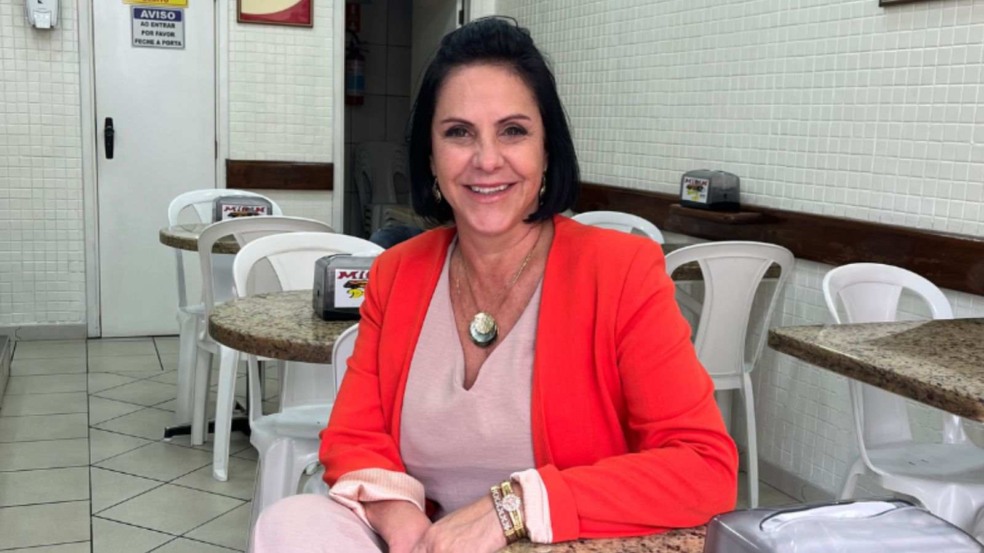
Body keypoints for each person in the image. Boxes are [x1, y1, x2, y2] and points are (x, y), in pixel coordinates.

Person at [252, 17, 737, 552]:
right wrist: (409, 529)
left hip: (560, 544)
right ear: (431, 157)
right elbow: (354, 435)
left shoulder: (621, 269)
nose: (486, 160)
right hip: (424, 537)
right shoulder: (397, 272)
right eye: (458, 133)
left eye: (513, 131)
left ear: (547, 151)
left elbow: (703, 468)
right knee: (290, 521)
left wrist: (513, 506)